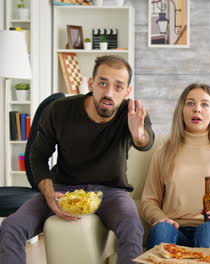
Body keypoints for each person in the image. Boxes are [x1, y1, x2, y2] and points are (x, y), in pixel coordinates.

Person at [0, 55, 155, 264]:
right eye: (103, 83)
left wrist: (138, 134)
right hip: (63, 188)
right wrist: (48, 194)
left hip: (111, 192)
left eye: (118, 87)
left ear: (127, 92)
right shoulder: (59, 110)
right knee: (11, 226)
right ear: (91, 84)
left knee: (132, 226)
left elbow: (146, 140)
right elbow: (37, 156)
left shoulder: (132, 113)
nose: (109, 93)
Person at [141, 83, 210, 249]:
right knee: (161, 230)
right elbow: (149, 200)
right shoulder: (164, 151)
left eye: (204, 104)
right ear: (182, 110)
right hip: (174, 228)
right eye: (190, 103)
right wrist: (161, 219)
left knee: (208, 229)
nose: (197, 109)